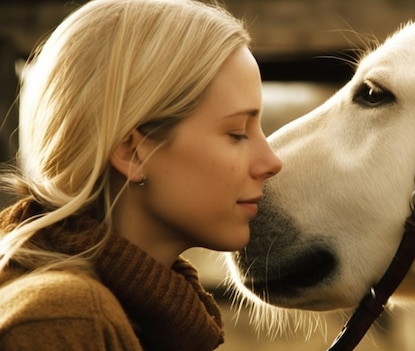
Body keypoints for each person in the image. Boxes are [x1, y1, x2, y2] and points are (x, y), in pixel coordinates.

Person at [0, 0, 282, 349]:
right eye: (238, 132)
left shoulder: (123, 315)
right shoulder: (67, 320)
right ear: (133, 152)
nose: (271, 161)